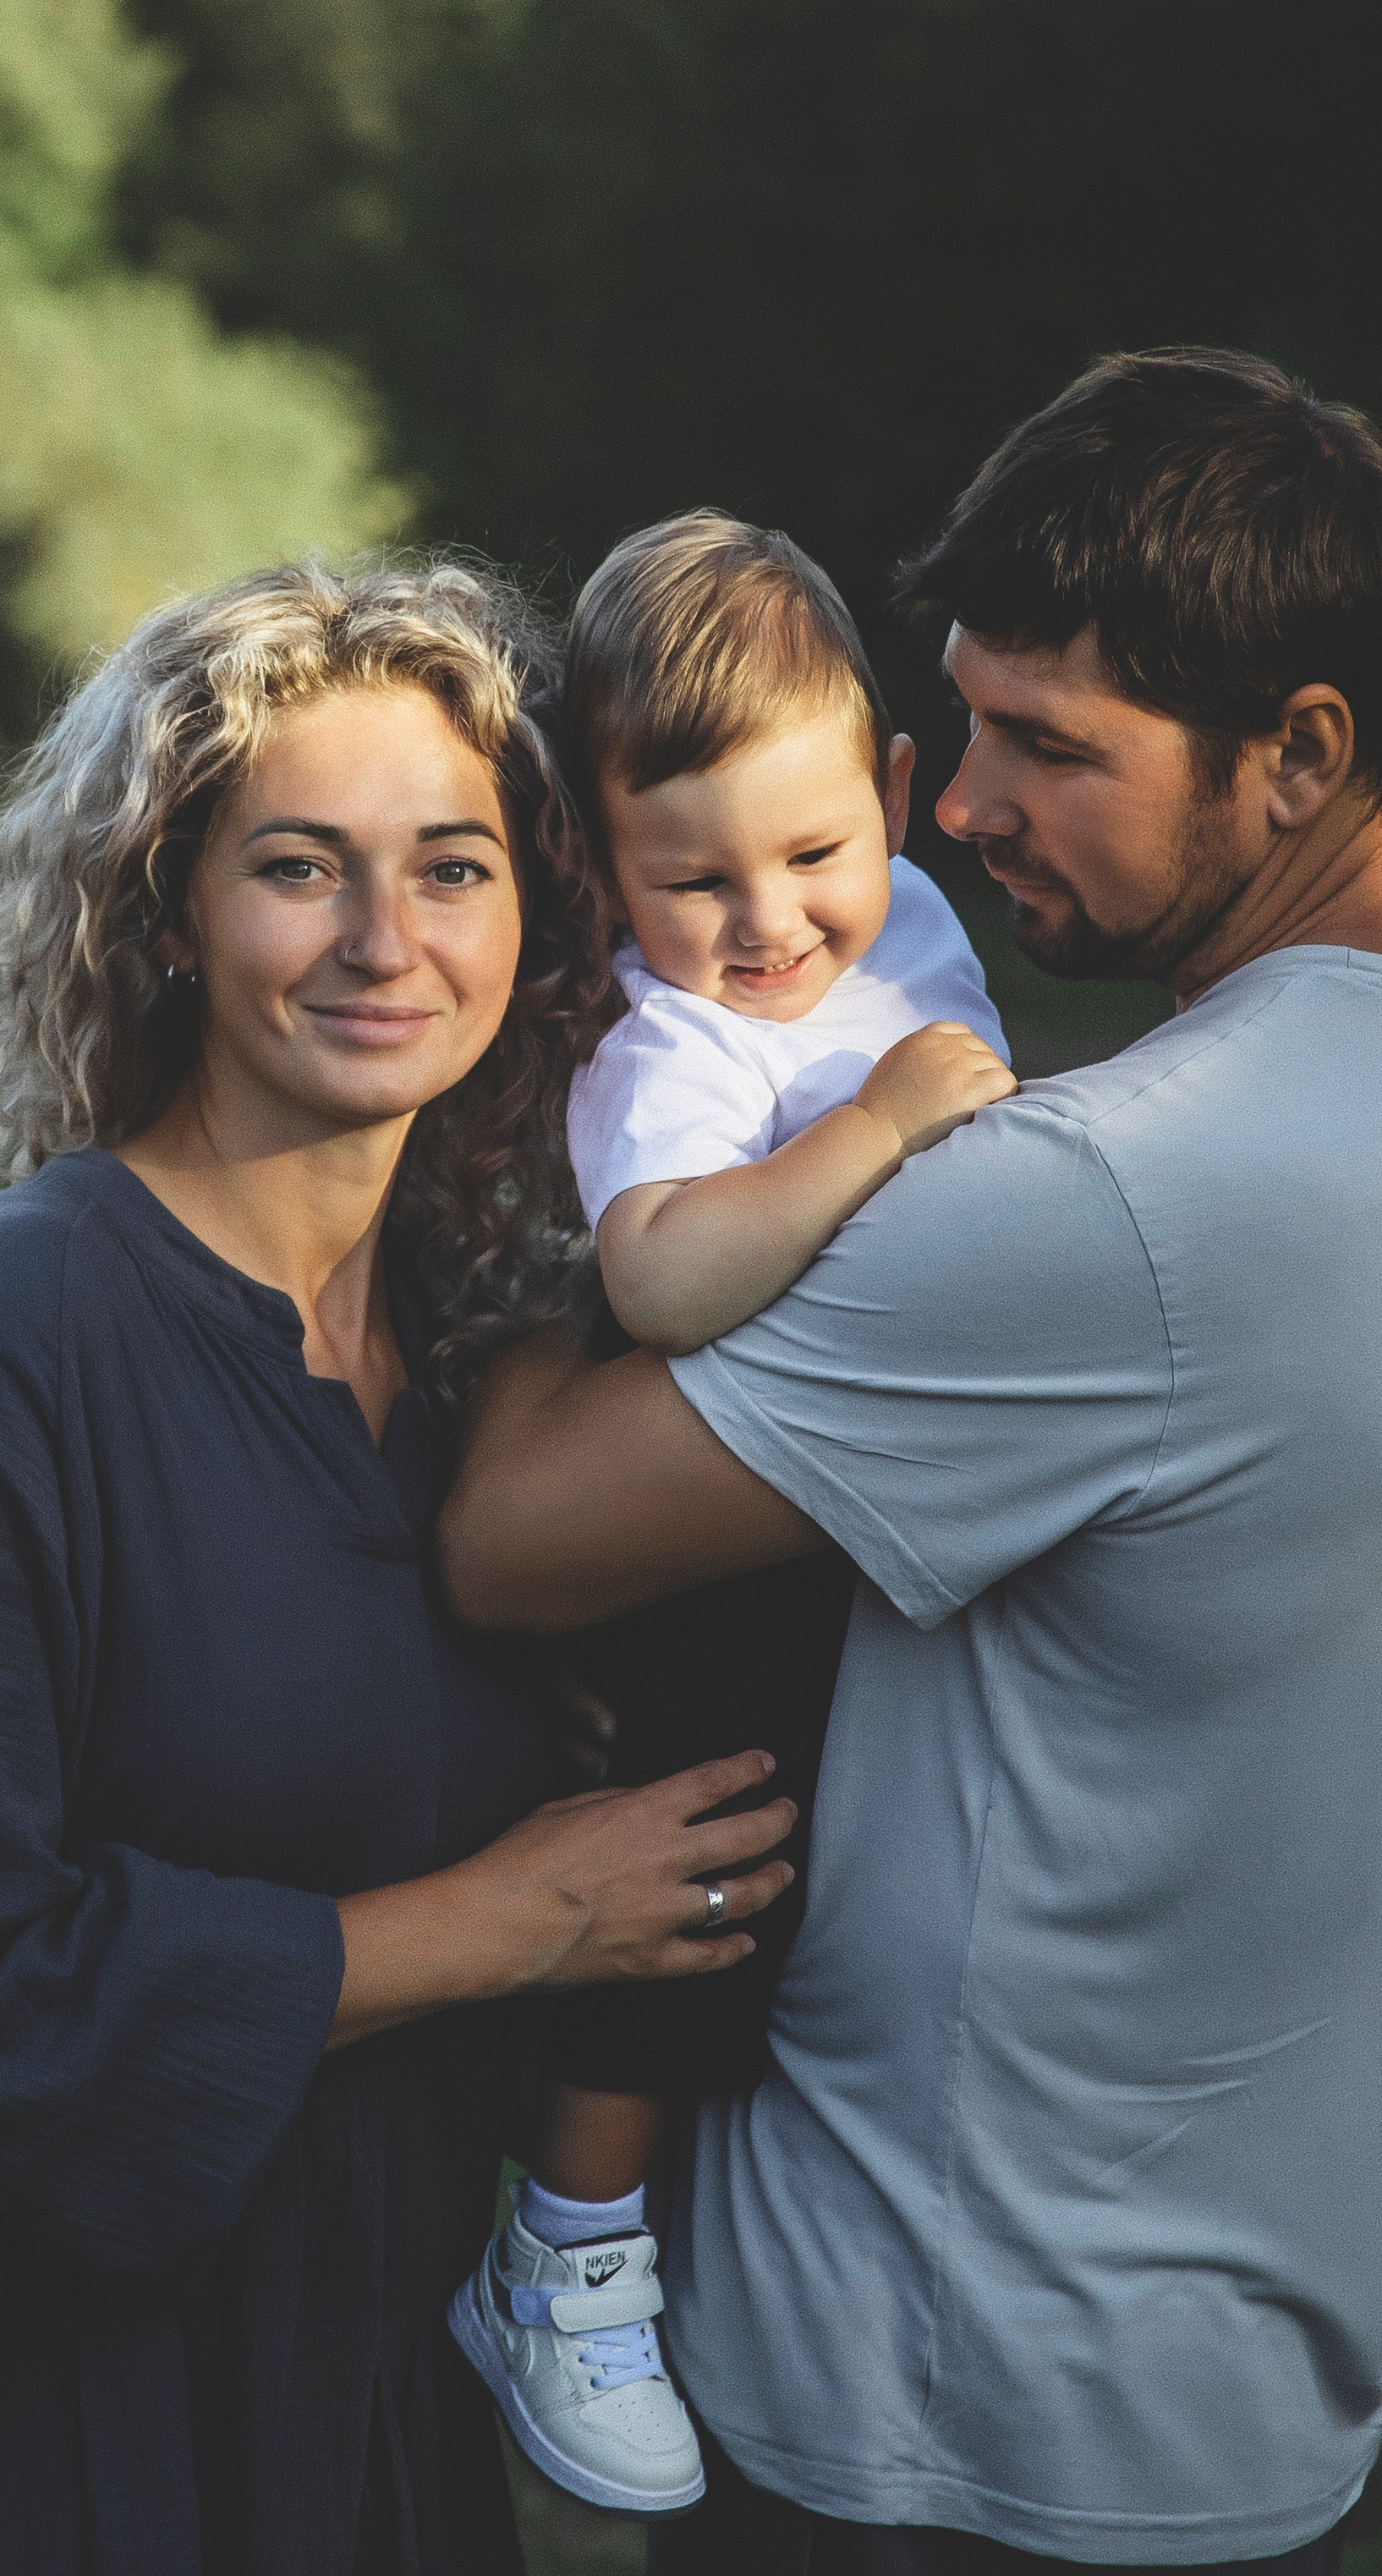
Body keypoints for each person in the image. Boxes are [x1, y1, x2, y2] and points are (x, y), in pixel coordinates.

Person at [440, 350, 1382, 2573]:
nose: (960, 806)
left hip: (936, 2388)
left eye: (1051, 746)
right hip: (1229, 2373)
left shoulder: (1121, 1196)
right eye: (964, 725)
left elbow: (508, 1540)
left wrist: (511, 1163)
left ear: (1300, 752)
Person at [0, 557, 798, 2576]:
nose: (385, 941)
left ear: (532, 913)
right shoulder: (20, 1323)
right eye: (299, 868)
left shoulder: (480, 1371)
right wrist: (508, 1919)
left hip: (341, 2401)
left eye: (451, 868)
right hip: (4, 2425)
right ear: (165, 909)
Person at [450, 513, 1012, 2517]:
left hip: (848, 1504)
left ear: (891, 797)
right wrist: (870, 1129)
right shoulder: (665, 1038)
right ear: (600, 871)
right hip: (693, 1537)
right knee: (700, 1869)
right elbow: (669, 1272)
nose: (768, 922)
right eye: (692, 879)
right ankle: (566, 2251)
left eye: (811, 854)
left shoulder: (905, 925)